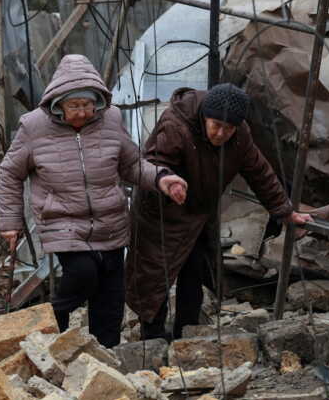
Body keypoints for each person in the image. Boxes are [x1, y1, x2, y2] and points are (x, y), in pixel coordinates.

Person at [0, 54, 187, 348]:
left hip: (110, 221)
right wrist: (10, 222)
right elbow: (10, 172)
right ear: (58, 103)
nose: (83, 113)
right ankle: (51, 325)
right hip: (62, 221)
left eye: (88, 104)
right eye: (75, 106)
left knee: (111, 294)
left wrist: (162, 179)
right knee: (83, 273)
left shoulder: (110, 119)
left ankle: (106, 353)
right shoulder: (34, 126)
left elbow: (132, 165)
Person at [126, 83, 312, 340]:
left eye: (229, 128)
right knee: (153, 278)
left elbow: (259, 172)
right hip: (160, 211)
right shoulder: (175, 125)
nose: (222, 133)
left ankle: (186, 336)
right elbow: (154, 162)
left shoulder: (240, 136)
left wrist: (284, 210)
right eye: (217, 125)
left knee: (194, 274)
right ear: (204, 118)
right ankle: (153, 339)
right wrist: (167, 182)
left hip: (199, 215)